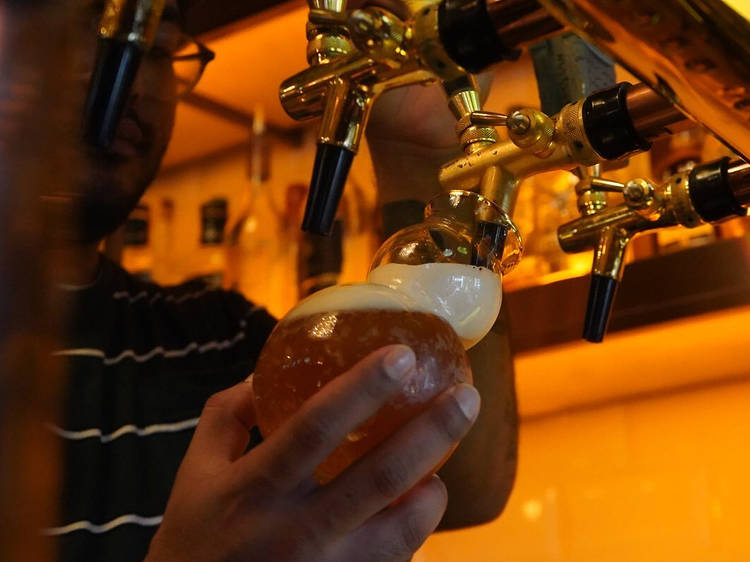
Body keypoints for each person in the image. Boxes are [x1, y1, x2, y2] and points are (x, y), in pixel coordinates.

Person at [47, 1, 518, 560]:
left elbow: (462, 488)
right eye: (80, 23)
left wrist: (422, 155)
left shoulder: (218, 338)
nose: (130, 76)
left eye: (157, 45)